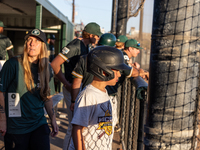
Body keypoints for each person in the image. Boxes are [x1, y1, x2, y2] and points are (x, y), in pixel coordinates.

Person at [0, 29, 58, 150]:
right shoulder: (13, 64)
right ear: (25, 43)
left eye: (37, 41)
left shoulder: (47, 67)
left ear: (42, 46)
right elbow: (1, 92)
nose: (32, 43)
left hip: (38, 123)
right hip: (16, 126)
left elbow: (47, 97)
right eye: (29, 40)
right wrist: (2, 119)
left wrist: (53, 119)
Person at [51, 22, 102, 150]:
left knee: (78, 124)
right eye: (96, 35)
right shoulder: (75, 45)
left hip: (78, 88)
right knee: (73, 125)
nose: (98, 38)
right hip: (72, 88)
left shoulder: (85, 46)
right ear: (90, 35)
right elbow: (54, 64)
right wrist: (66, 83)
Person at [70, 46, 131, 150]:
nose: (120, 75)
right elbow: (77, 129)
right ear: (104, 72)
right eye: (117, 71)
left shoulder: (104, 92)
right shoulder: (88, 95)